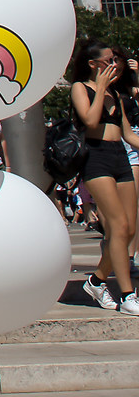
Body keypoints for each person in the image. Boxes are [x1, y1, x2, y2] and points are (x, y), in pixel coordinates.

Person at [68, 39, 139, 315]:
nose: (113, 64)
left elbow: (129, 134)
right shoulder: (80, 88)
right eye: (108, 60)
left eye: (115, 60)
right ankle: (127, 294)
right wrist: (99, 88)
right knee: (118, 227)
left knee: (129, 230)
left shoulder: (116, 95)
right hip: (96, 159)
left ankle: (96, 281)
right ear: (93, 64)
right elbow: (90, 120)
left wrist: (109, 90)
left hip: (119, 156)